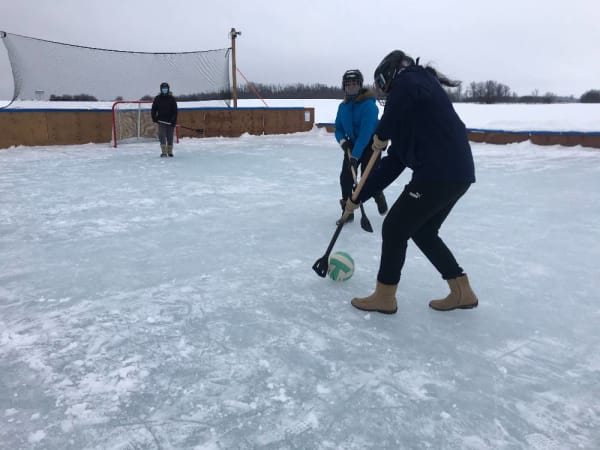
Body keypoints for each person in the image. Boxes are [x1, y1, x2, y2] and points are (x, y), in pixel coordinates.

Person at [341, 50, 478, 314]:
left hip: (438, 174)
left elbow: (402, 94)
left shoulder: (413, 80)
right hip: (456, 174)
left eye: (383, 84)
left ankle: (384, 296)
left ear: (392, 73)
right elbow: (392, 164)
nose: (384, 92)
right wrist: (357, 197)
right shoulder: (413, 107)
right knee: (423, 231)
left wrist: (381, 132)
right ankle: (462, 290)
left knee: (394, 228)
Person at [334, 69, 388, 224]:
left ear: (360, 86)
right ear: (344, 87)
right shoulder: (342, 107)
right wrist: (344, 143)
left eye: (355, 84)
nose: (351, 87)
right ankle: (347, 211)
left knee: (368, 177)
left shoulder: (368, 106)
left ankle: (378, 194)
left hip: (372, 144)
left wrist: (355, 156)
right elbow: (338, 128)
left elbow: (365, 134)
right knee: (346, 178)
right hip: (352, 145)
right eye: (348, 85)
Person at [151, 82, 178, 157]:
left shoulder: (172, 99)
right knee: (162, 135)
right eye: (163, 89)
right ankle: (164, 152)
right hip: (161, 121)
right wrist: (154, 117)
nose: (164, 90)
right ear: (161, 89)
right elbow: (154, 109)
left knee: (170, 136)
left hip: (170, 121)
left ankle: (170, 152)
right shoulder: (158, 98)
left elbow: (175, 111)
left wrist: (173, 120)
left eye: (166, 88)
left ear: (168, 89)